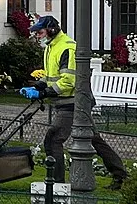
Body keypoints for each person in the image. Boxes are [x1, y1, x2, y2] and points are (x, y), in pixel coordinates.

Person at [17, 15, 129, 188]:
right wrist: (38, 86)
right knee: (93, 139)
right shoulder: (51, 47)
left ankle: (57, 184)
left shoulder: (67, 48)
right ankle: (121, 176)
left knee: (53, 139)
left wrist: (44, 93)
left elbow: (69, 81)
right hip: (68, 102)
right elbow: (52, 75)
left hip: (74, 102)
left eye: (39, 32)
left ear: (51, 30)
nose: (37, 35)